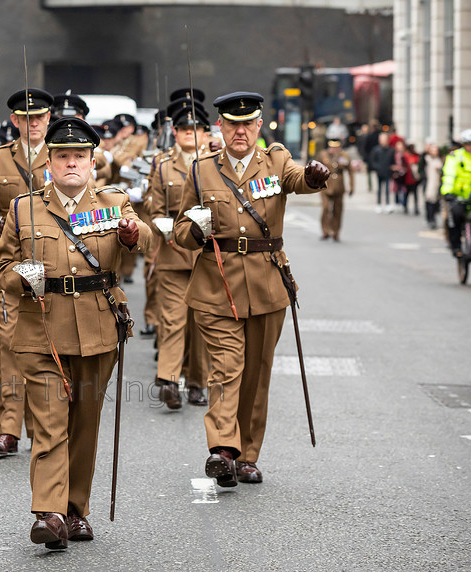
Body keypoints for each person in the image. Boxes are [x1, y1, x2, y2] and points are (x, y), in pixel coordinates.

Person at [0, 117, 151, 549]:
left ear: (92, 160)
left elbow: (148, 240)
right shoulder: (24, 208)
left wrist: (133, 233)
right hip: (42, 329)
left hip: (98, 329)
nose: (71, 164)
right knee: (48, 424)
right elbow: (1, 268)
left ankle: (77, 510)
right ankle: (49, 512)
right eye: (62, 156)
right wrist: (21, 277)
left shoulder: (115, 203)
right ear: (49, 160)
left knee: (84, 424)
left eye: (79, 156)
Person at [173, 91, 329, 487]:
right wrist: (195, 230)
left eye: (247, 124)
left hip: (266, 284)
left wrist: (313, 177)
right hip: (216, 284)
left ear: (259, 126)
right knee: (227, 368)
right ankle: (224, 449)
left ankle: (247, 456)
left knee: (257, 373)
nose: (239, 131)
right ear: (220, 127)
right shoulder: (201, 169)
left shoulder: (275, 160)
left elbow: (296, 180)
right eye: (232, 124)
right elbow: (180, 233)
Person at [0, 88, 53, 456]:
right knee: (9, 343)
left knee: (45, 346)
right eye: (25, 117)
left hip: (52, 269)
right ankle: (8, 428)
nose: (32, 123)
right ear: (14, 121)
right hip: (5, 267)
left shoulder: (64, 156)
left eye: (38, 116)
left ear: (49, 118)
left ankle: (43, 425)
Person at [145, 100, 214, 409]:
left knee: (201, 321)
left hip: (208, 254)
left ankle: (198, 382)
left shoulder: (216, 161)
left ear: (206, 132)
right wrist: (166, 227)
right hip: (173, 251)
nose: (191, 133)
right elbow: (154, 205)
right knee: (172, 319)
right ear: (174, 131)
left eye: (197, 129)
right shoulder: (162, 163)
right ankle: (170, 380)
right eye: (185, 129)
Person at [441, 129, 471, 258]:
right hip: (459, 195)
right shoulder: (455, 157)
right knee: (455, 216)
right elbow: (449, 175)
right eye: (469, 144)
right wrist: (448, 192)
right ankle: (456, 247)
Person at [315, 139, 354, 241]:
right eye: (332, 147)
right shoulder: (323, 155)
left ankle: (336, 232)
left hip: (339, 187)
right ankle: (325, 231)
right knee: (325, 208)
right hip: (325, 185)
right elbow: (315, 167)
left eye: (336, 147)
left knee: (338, 210)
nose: (334, 149)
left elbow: (350, 171)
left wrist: (352, 186)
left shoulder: (344, 156)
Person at [369, 132, 395, 213]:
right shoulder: (376, 150)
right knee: (379, 189)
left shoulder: (391, 150)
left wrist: (392, 168)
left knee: (387, 189)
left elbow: (393, 161)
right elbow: (372, 161)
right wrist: (377, 168)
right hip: (379, 172)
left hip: (388, 172)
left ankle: (387, 204)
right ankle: (379, 204)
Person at [423, 141, 444, 230]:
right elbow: (421, 170)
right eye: (433, 150)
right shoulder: (426, 159)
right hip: (428, 183)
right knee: (429, 201)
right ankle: (430, 219)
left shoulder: (440, 160)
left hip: (437, 184)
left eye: (436, 150)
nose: (435, 151)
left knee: (436, 202)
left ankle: (433, 218)